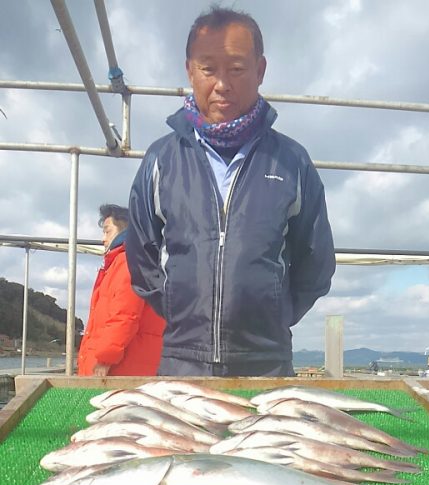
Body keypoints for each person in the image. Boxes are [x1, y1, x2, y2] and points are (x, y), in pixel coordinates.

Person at [127, 5, 336, 377]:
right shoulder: (161, 159)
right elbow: (142, 258)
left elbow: (316, 262)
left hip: (268, 365)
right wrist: (180, 313)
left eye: (237, 69)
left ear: (260, 71)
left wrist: (273, 316)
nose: (222, 84)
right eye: (208, 69)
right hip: (182, 364)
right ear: (190, 70)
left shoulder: (292, 162)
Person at [77, 204, 165, 377]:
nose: (103, 239)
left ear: (124, 230)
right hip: (132, 364)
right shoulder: (128, 262)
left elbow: (125, 314)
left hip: (120, 369)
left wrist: (105, 358)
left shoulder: (127, 262)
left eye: (107, 231)